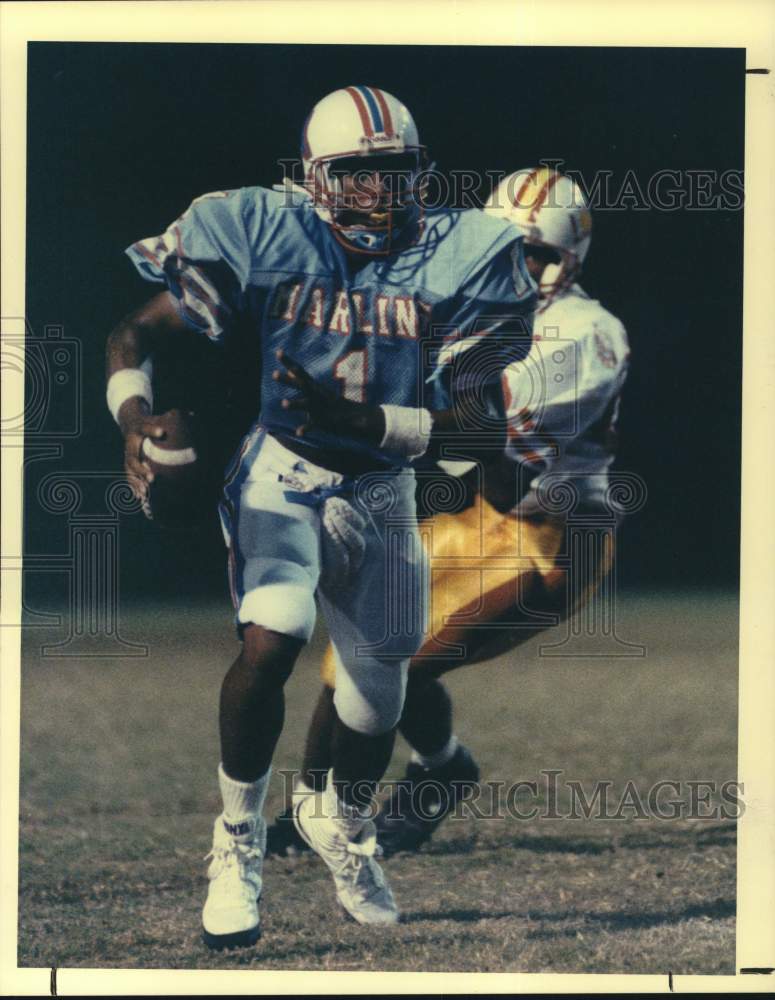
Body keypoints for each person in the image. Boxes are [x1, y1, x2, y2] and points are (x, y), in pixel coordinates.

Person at [105, 87, 535, 948]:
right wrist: (133, 423)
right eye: (358, 175)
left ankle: (340, 824)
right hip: (285, 473)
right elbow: (133, 337)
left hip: (382, 490)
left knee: (377, 700)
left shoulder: (465, 254)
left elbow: (481, 421)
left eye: (394, 173)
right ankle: (235, 842)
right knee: (275, 631)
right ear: (315, 179)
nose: (379, 193)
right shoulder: (265, 231)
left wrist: (371, 425)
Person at [266, 166, 630, 857]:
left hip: (554, 537)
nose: (521, 268)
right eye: (506, 250)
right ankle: (341, 801)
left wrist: (362, 414)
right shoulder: (471, 309)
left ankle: (396, 792)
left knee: (390, 661)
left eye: (539, 254)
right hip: (483, 515)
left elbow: (476, 430)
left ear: (570, 259)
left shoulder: (586, 331)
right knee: (349, 653)